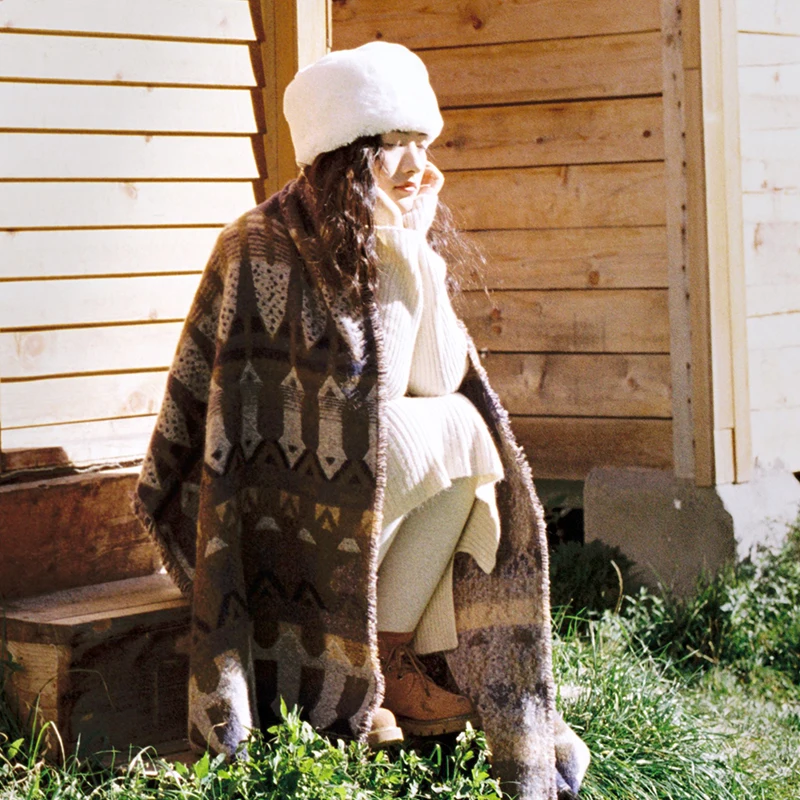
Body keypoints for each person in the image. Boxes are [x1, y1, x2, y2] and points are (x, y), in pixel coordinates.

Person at [135, 41, 588, 799]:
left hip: (358, 490)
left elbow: (433, 377)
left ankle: (384, 662)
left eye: (422, 141)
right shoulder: (258, 245)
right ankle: (367, 674)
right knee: (453, 434)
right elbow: (340, 408)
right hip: (275, 509)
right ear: (344, 151)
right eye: (392, 142)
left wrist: (414, 244)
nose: (417, 163)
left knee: (470, 438)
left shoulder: (391, 236)